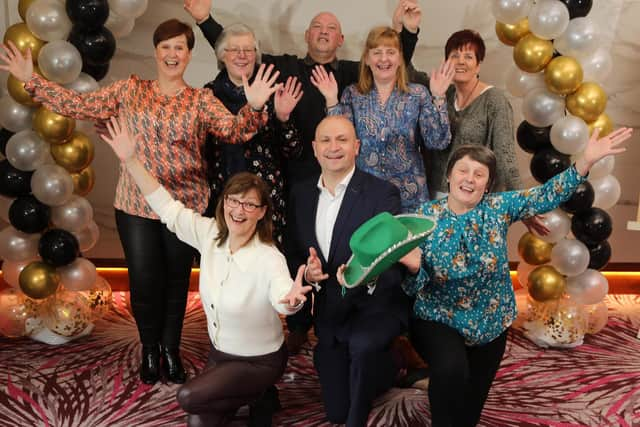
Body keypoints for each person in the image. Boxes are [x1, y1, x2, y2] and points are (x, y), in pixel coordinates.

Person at [0, 19, 281, 385]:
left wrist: (254, 107)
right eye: (166, 46)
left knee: (177, 283)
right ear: (156, 52)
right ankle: (150, 348)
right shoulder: (130, 91)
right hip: (135, 205)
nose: (172, 53)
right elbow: (78, 104)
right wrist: (31, 80)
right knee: (146, 282)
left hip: (184, 208)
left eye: (180, 47)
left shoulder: (200, 100)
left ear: (189, 54)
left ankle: (170, 349)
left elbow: (234, 131)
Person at [183, 0, 425, 351]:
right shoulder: (286, 67)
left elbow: (391, 63)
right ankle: (298, 322)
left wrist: (407, 32)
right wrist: (206, 20)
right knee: (299, 251)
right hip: (298, 181)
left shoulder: (352, 73)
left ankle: (354, 320)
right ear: (307, 36)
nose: (324, 32)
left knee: (348, 250)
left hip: (347, 182)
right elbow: (237, 53)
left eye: (331, 28)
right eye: (317, 27)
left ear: (341, 38)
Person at [400, 127, 633, 427]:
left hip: (492, 319)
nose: (469, 179)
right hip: (439, 317)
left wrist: (585, 161)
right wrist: (415, 268)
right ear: (449, 176)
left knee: (470, 406)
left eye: (479, 174)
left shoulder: (498, 208)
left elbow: (544, 196)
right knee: (451, 372)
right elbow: (407, 283)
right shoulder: (423, 217)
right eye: (463, 171)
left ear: (488, 185)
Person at [99, 116, 312, 427]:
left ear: (263, 212)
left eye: (250, 205)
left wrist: (291, 301)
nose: (239, 210)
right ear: (223, 202)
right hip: (221, 354)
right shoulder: (209, 233)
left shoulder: (269, 257)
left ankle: (260, 391)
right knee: (198, 420)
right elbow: (166, 207)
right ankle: (260, 399)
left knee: (189, 398)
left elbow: (282, 296)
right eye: (234, 201)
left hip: (259, 360)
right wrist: (130, 160)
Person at [285, 115, 415, 427]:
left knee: (360, 363)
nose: (334, 147)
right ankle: (386, 366)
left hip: (373, 306)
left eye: (342, 139)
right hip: (330, 311)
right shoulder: (300, 194)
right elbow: (294, 253)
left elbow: (391, 262)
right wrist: (308, 274)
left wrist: (361, 277)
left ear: (356, 146)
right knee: (335, 412)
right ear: (315, 149)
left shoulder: (383, 193)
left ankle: (388, 356)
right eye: (326, 141)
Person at [311, 25, 454, 212]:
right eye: (377, 52)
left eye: (390, 52)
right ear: (367, 59)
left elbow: (438, 142)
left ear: (400, 59)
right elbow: (340, 140)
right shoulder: (352, 94)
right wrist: (331, 100)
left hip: (410, 199)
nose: (384, 58)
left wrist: (439, 97)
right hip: (365, 197)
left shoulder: (418, 94)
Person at [202, 23, 304, 246]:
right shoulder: (208, 95)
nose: (242, 56)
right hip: (222, 200)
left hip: (266, 203)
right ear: (222, 56)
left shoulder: (273, 91)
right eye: (234, 50)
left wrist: (284, 118)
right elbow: (202, 152)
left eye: (248, 50)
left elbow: (293, 151)